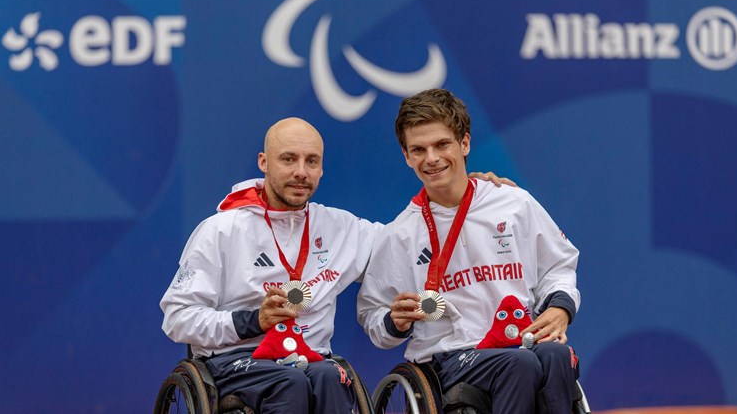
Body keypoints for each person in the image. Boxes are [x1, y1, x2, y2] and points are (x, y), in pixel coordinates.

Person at [160, 116, 514, 414]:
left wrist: (466, 191)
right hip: (238, 361)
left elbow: (410, 237)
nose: (301, 172)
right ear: (263, 163)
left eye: (311, 161)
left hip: (313, 362)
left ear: (321, 168)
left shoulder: (342, 229)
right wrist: (252, 321)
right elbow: (177, 318)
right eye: (288, 159)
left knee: (330, 376)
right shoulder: (221, 230)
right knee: (293, 381)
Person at [357, 89, 581, 414]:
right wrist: (395, 321)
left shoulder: (514, 203)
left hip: (519, 338)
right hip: (450, 357)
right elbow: (372, 316)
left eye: (442, 144)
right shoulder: (400, 234)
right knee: (520, 364)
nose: (431, 158)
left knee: (556, 355)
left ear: (464, 144)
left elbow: (558, 267)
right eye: (418, 149)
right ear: (406, 156)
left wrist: (560, 309)